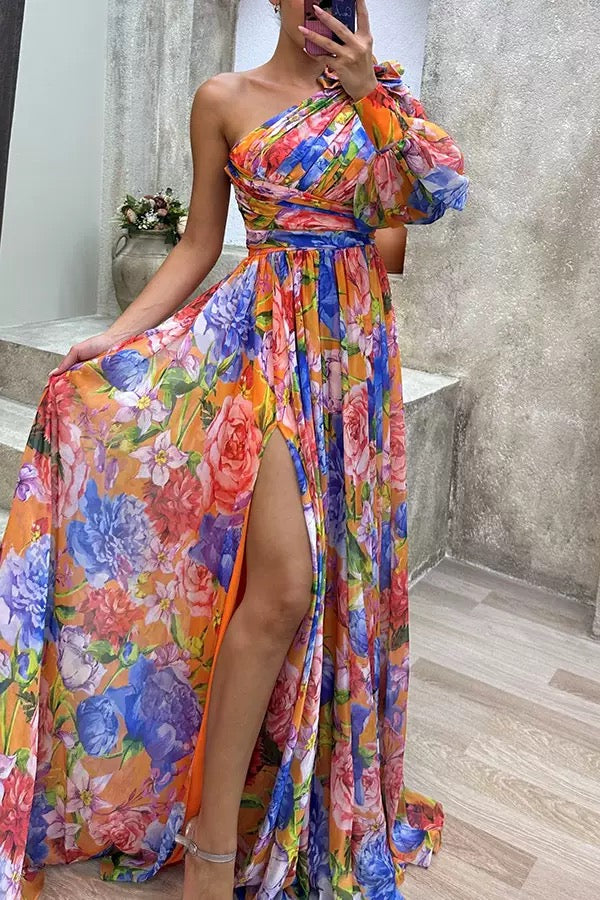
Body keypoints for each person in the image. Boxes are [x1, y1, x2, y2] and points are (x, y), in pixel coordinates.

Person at [0, 0, 469, 897]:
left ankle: (276, 789)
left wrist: (372, 95)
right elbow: (198, 244)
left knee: (327, 584)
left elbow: (433, 198)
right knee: (287, 584)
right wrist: (118, 335)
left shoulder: (378, 99)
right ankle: (212, 850)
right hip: (263, 342)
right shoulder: (224, 97)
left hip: (353, 356)